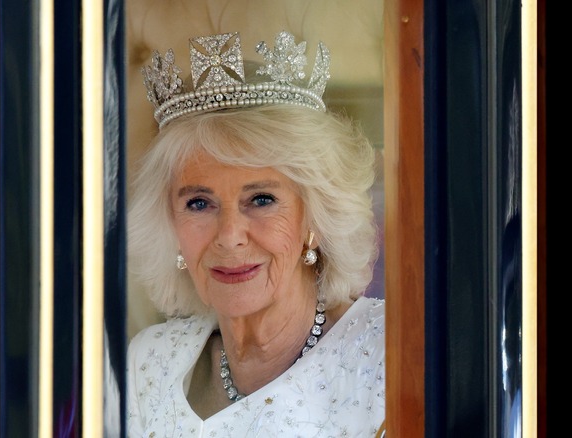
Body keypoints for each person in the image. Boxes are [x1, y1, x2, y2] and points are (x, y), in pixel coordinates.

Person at [126, 30, 385, 437]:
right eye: (199, 203)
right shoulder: (150, 362)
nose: (230, 236)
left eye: (261, 200)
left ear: (313, 220)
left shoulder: (388, 353)